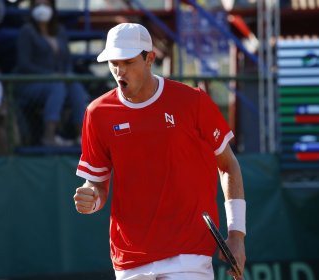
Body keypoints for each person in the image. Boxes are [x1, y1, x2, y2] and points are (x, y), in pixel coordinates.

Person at [73, 23, 246, 280]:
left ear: (150, 58)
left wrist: (236, 235)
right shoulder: (97, 113)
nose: (120, 71)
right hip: (129, 259)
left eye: (128, 62)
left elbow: (228, 165)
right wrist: (91, 199)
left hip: (188, 254)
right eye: (113, 63)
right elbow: (97, 185)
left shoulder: (193, 102)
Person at [14, 0, 89, 146]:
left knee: (75, 86)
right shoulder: (27, 31)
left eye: (46, 5)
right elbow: (24, 65)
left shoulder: (60, 30)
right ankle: (49, 136)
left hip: (59, 81)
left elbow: (67, 61)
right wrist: (50, 76)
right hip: (31, 84)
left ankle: (83, 136)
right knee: (57, 87)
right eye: (38, 5)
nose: (43, 8)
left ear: (52, 8)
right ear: (32, 8)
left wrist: (67, 74)